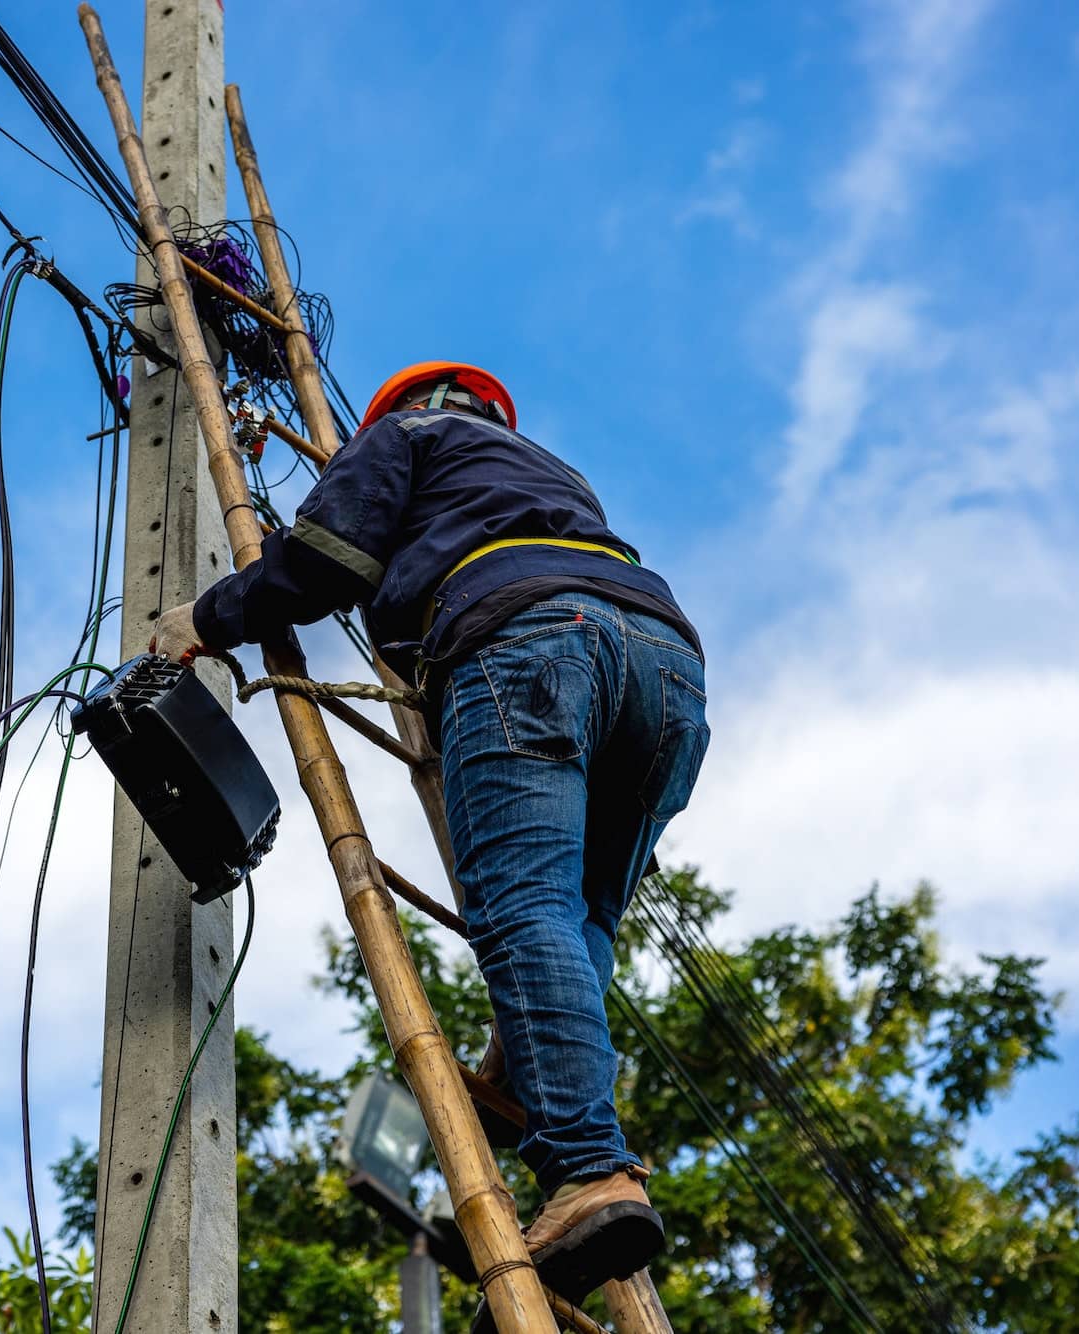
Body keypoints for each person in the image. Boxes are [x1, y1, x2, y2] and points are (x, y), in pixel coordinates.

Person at [151, 361, 709, 1311]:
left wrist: (207, 618)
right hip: (668, 669)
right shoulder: (554, 476)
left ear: (407, 407)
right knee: (580, 917)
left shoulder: (409, 435)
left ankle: (588, 1170)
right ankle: (528, 1059)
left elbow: (328, 558)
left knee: (521, 904)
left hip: (526, 640)